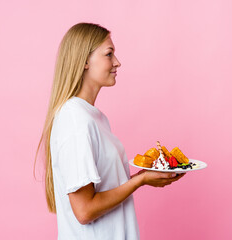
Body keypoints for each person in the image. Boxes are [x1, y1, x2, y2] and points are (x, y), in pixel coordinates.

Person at [35, 22, 185, 240]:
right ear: (85, 61)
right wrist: (139, 181)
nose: (117, 62)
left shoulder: (94, 117)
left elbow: (103, 191)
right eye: (109, 54)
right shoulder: (75, 119)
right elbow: (85, 210)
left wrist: (141, 177)